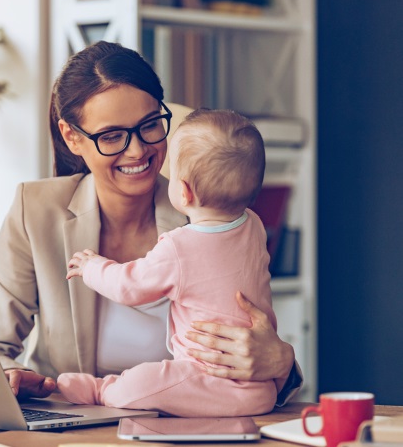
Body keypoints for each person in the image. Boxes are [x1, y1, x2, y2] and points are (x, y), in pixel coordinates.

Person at [0, 40, 301, 404]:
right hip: (72, 425)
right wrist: (11, 376)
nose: (137, 150)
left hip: (184, 426)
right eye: (112, 136)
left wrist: (281, 361)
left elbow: (256, 334)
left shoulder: (210, 212)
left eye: (149, 125)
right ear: (72, 137)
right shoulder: (34, 210)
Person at [57, 108, 276, 417]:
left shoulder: (180, 246)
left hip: (206, 377)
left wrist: (91, 267)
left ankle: (102, 389)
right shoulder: (253, 226)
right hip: (260, 389)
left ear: (183, 192)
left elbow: (129, 286)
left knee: (145, 380)